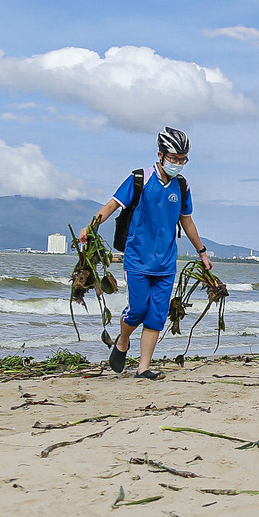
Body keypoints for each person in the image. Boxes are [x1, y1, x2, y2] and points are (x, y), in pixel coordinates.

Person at [81, 127, 212, 380]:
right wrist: (91, 227)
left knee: (156, 316)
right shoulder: (140, 179)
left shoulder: (182, 186)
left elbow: (187, 221)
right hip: (138, 259)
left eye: (182, 159)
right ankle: (122, 341)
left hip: (166, 263)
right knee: (138, 309)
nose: (177, 163)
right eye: (173, 158)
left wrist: (202, 252)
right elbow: (111, 205)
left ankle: (143, 368)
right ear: (161, 154)